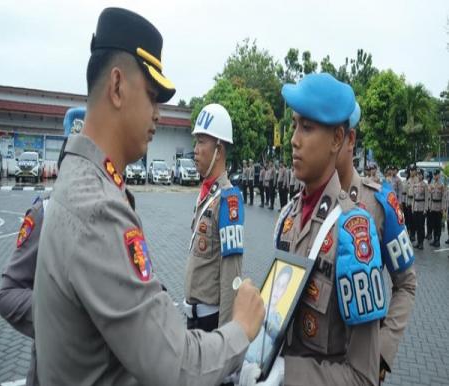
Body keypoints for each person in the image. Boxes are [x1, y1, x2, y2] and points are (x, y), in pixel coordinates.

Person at [33, 8, 264, 385]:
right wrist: (241, 328)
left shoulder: (80, 182)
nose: (158, 114)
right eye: (153, 96)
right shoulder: (98, 209)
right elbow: (175, 367)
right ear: (118, 86)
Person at [240, 73, 387, 386]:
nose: (294, 139)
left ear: (337, 139)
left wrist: (288, 375)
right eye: (294, 125)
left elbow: (364, 376)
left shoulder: (353, 233)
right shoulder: (289, 216)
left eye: (306, 127)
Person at [0, 106, 86, 386]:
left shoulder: (118, 215)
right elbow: (8, 292)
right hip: (51, 370)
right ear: (62, 166)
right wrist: (59, 315)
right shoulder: (44, 213)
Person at [335, 102, 416, 383]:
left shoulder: (379, 203)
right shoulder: (306, 203)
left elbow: (406, 284)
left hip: (361, 362)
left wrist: (382, 350)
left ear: (348, 140)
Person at [184, 103, 245, 330]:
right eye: (196, 141)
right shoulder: (207, 193)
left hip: (211, 322)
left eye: (201, 141)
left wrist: (226, 336)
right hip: (193, 317)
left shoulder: (228, 199)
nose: (195, 149)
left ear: (218, 149)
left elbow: (232, 275)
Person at [428, 169, 446, 247]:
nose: (435, 176)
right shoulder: (432, 184)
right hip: (433, 207)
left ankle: (438, 240)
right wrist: (430, 207)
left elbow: (443, 197)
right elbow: (430, 197)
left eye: (436, 175)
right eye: (434, 175)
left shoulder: (441, 185)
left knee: (438, 225)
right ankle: (435, 239)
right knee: (434, 224)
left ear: (439, 175)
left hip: (439, 207)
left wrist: (443, 208)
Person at [412, 169, 428, 250]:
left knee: (421, 226)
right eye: (418, 174)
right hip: (416, 208)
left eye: (420, 174)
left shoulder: (425, 185)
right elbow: (414, 198)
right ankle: (418, 241)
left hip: (422, 208)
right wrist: (412, 207)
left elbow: (426, 198)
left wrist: (425, 209)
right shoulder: (415, 184)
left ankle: (421, 243)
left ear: (422, 175)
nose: (419, 176)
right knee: (417, 226)